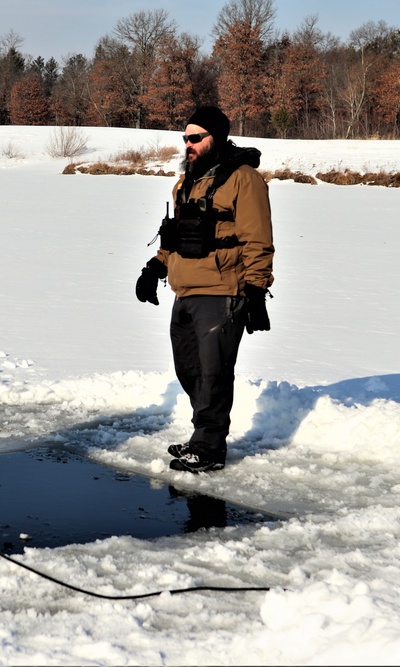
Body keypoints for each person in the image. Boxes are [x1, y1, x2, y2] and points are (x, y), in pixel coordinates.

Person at [135, 106, 274, 473]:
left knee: (214, 371)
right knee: (189, 368)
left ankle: (210, 446)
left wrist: (256, 292)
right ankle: (203, 434)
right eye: (185, 138)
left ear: (217, 137)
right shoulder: (186, 182)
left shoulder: (245, 180)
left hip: (223, 289)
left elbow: (258, 240)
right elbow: (176, 236)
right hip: (185, 289)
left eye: (196, 137)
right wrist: (155, 268)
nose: (188, 144)